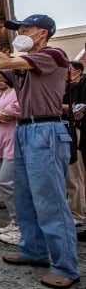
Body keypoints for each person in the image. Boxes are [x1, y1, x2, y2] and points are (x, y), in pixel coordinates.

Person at [0, 13, 80, 289]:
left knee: (50, 201)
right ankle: (34, 250)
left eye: (26, 28)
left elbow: (4, 60)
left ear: (42, 32)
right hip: (25, 129)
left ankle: (65, 266)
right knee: (25, 198)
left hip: (45, 129)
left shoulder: (53, 55)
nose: (20, 32)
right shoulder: (24, 65)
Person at [0, 81, 21, 245]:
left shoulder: (18, 91)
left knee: (6, 182)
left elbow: (13, 111)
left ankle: (21, 225)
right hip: (0, 141)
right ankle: (14, 221)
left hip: (14, 141)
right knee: (5, 183)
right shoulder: (1, 95)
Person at [64, 61, 86, 225]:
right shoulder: (65, 86)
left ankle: (77, 212)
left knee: (74, 175)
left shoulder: (78, 87)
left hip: (73, 132)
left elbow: (76, 109)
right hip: (63, 131)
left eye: (69, 69)